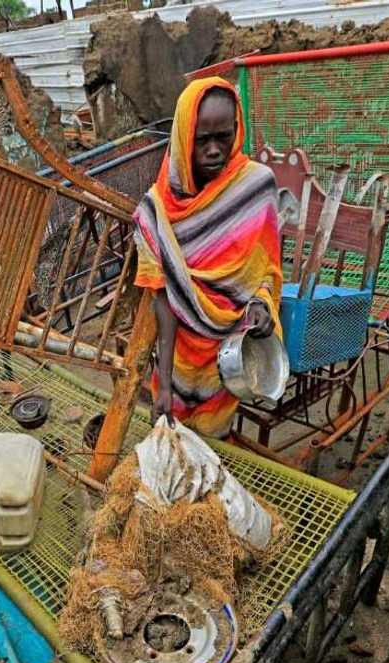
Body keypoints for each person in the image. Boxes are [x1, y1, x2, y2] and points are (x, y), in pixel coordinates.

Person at [133, 77, 283, 439]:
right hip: (179, 357)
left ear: (237, 130)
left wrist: (261, 306)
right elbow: (163, 299)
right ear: (183, 137)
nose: (215, 150)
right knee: (172, 440)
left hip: (230, 353)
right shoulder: (156, 212)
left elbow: (267, 271)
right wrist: (164, 381)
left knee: (215, 442)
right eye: (202, 140)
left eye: (224, 137)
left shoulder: (255, 188)